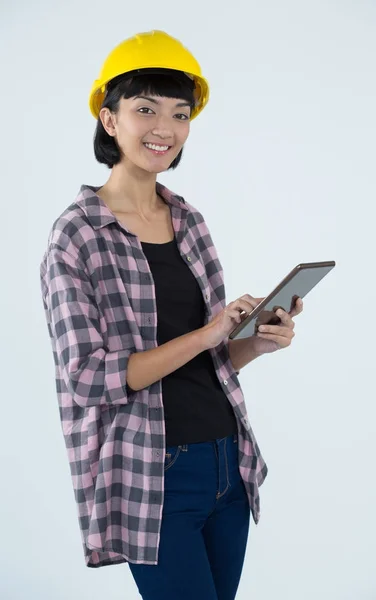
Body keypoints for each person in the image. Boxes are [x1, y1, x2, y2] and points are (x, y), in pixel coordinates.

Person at [39, 30, 303, 600]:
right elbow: (87, 377)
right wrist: (208, 331)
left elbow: (210, 360)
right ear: (109, 120)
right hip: (152, 473)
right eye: (145, 109)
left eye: (180, 114)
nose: (165, 128)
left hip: (227, 461)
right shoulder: (76, 236)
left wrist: (252, 341)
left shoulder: (191, 222)